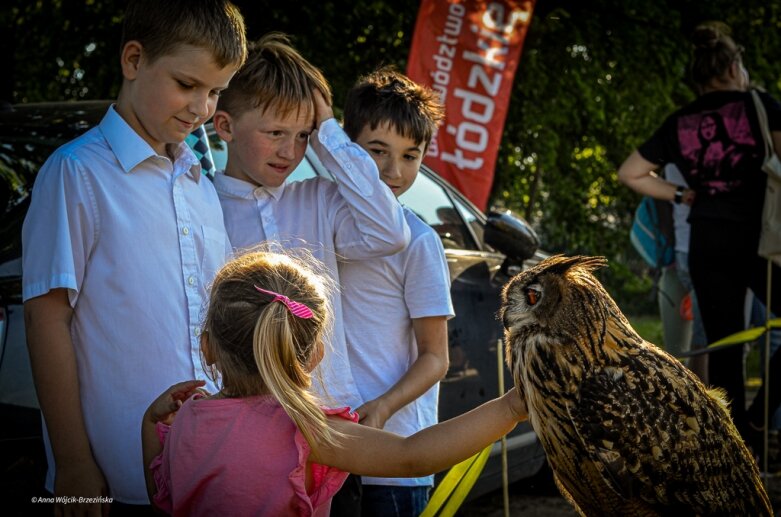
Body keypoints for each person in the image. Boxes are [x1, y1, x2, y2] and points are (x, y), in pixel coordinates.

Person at [21, 0, 247, 512]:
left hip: (205, 469)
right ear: (133, 60)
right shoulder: (76, 173)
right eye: (187, 85)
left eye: (214, 92)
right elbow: (46, 319)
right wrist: (74, 461)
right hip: (114, 478)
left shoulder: (200, 185)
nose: (202, 108)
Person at [141, 250, 527, 516]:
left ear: (207, 347)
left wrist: (148, 424)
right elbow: (414, 455)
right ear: (314, 355)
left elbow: (163, 498)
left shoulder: (186, 422)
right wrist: (511, 406)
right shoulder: (307, 432)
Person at [211, 33, 409, 414]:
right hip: (241, 422)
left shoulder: (318, 199)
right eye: (275, 133)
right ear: (225, 126)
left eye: (303, 135)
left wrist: (329, 135)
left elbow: (389, 232)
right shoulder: (202, 207)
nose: (291, 151)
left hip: (328, 413)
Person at [617, 21, 781, 444]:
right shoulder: (759, 105)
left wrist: (679, 193)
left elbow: (631, 173)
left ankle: (737, 446)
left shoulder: (679, 122)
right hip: (760, 240)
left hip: (707, 241)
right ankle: (761, 418)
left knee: (725, 348)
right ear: (732, 66)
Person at [336, 67, 452, 516]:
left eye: (411, 156)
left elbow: (435, 357)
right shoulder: (316, 220)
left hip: (396, 456)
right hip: (328, 450)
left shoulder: (420, 243)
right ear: (347, 148)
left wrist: (382, 408)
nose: (393, 171)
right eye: (377, 151)